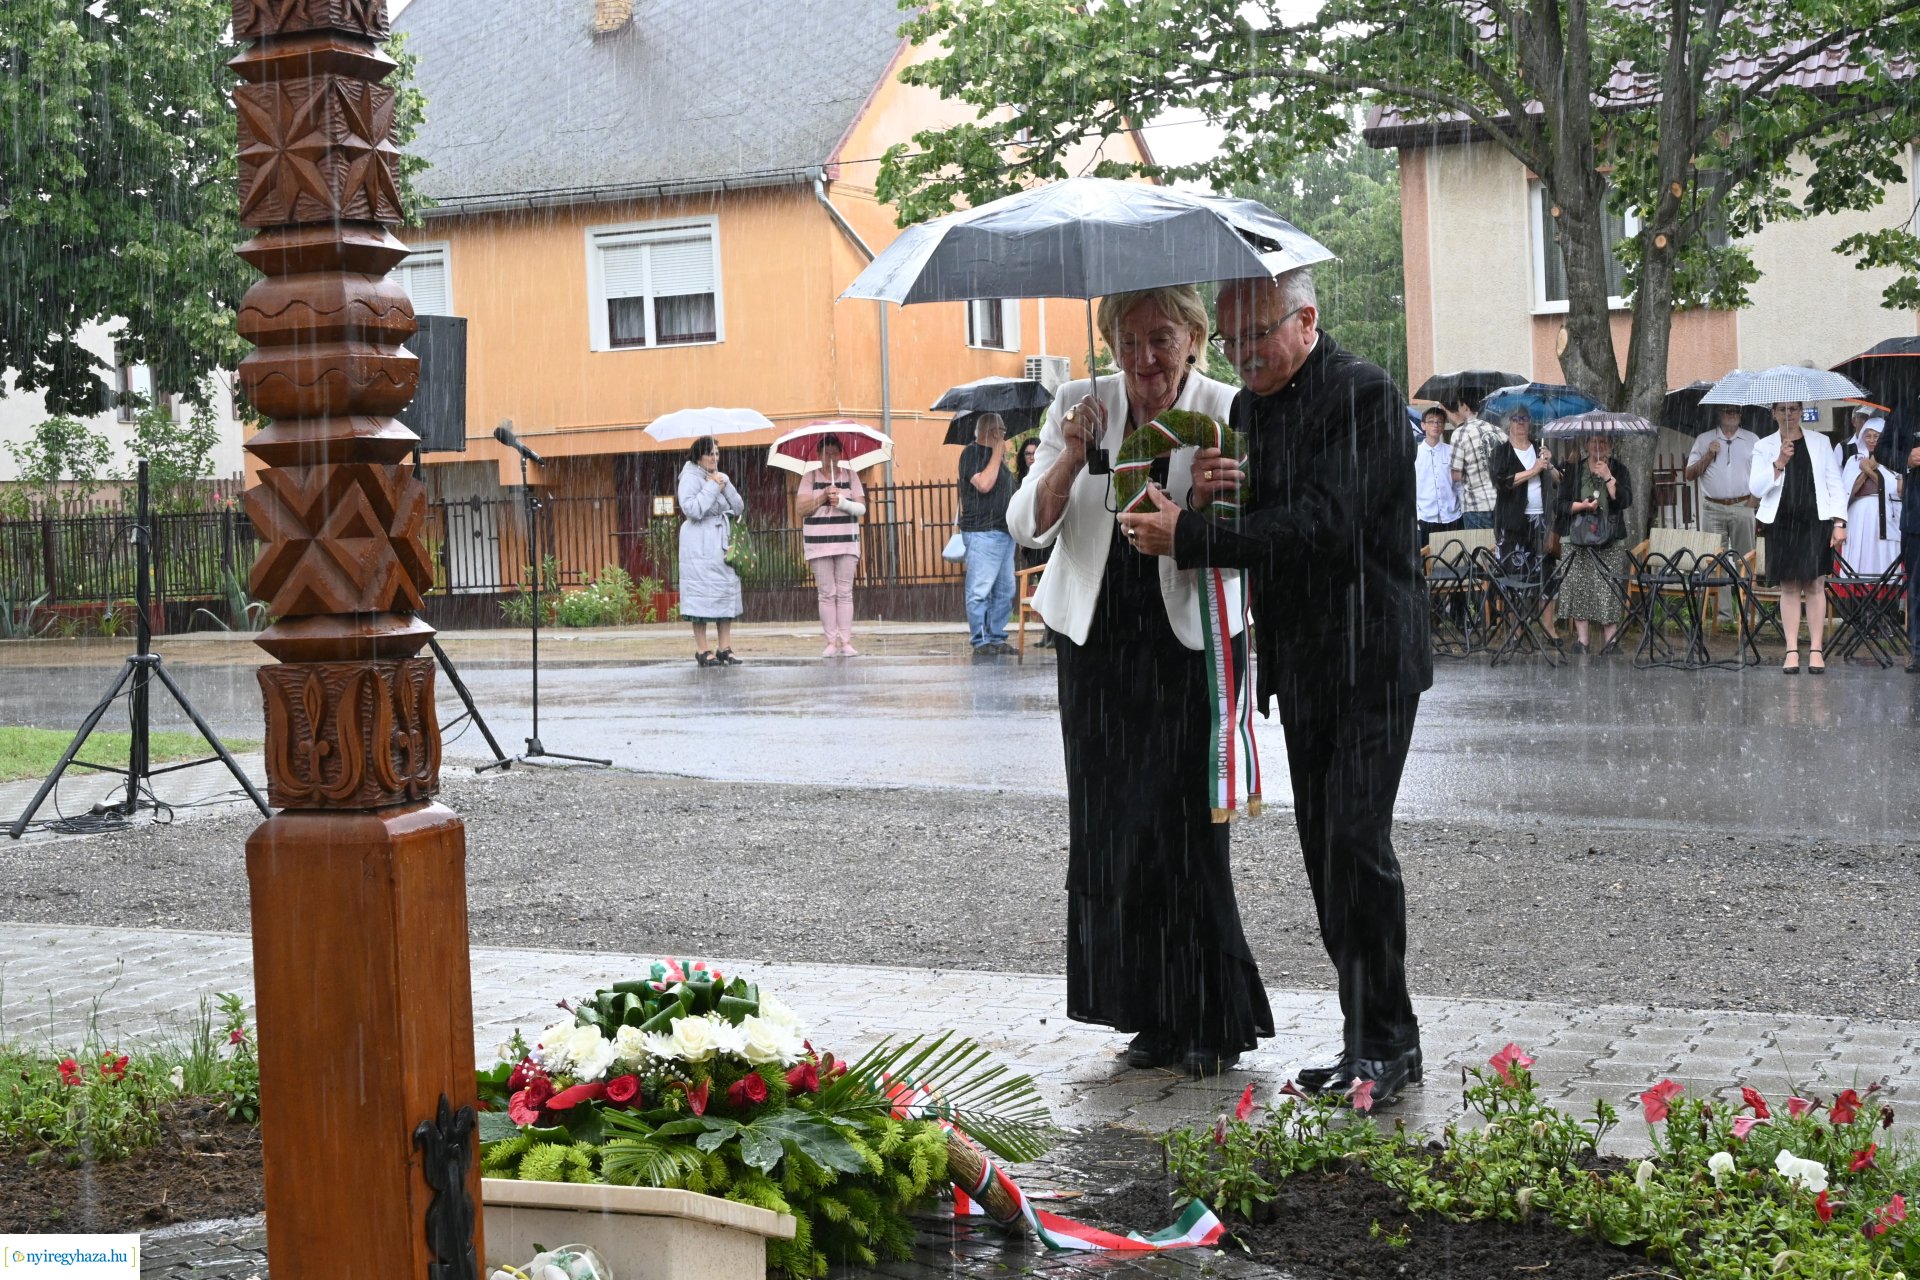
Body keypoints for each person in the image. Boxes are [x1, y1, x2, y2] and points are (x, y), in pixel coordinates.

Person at [1120, 268, 1431, 1106]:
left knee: (1357, 849)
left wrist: (1192, 535)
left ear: (1307, 320)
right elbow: (1265, 522)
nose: (1246, 354)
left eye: (1259, 334)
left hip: (1373, 659)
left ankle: (1389, 1045)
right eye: (1233, 339)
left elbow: (1324, 527)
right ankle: (1366, 1039)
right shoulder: (1253, 410)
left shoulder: (1364, 393)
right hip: (1304, 665)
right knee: (1328, 859)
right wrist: (1215, 500)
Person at [1006, 284, 1270, 1078]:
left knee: (1187, 830)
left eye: (1161, 338)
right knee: (1113, 830)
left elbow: (1260, 527)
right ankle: (1148, 1013)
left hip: (1185, 636)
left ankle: (1211, 1018)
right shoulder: (1079, 401)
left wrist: (1220, 498)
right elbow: (1027, 522)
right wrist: (1065, 460)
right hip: (1097, 637)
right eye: (1128, 341)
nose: (1145, 358)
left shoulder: (1230, 406)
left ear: (1194, 337)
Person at [1750, 401, 1847, 674]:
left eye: (1793, 409)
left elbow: (1834, 483)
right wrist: (1779, 462)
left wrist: (1839, 522)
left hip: (1815, 521)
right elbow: (1755, 488)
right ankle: (1791, 650)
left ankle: (1816, 649)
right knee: (1790, 587)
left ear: (1802, 412)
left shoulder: (1820, 442)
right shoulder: (1764, 446)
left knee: (1816, 585)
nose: (1788, 414)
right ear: (1773, 414)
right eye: (1782, 410)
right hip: (1781, 522)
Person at [1555, 434, 1634, 653]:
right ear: (1586, 444)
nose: (1598, 446)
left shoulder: (1619, 469)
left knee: (1608, 587)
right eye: (1593, 441)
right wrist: (1581, 506)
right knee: (1579, 587)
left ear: (1610, 445)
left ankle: (1611, 642)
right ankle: (1583, 641)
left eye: (1603, 442)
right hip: (1577, 537)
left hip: (1610, 539)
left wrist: (1609, 478)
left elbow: (1626, 501)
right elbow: (1560, 505)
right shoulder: (1574, 470)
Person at [677, 435, 746, 666]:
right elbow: (693, 509)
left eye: (717, 454)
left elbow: (738, 507)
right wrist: (712, 487)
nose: (714, 458)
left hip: (722, 542)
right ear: (699, 456)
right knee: (700, 596)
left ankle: (725, 647)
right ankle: (702, 649)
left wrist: (724, 485)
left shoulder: (720, 476)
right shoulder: (689, 477)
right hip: (698, 544)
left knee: (724, 592)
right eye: (710, 454)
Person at [796, 434, 866, 656]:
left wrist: (843, 502)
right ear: (819, 455)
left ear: (840, 455)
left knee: (845, 592)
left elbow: (861, 509)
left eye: (835, 453)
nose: (831, 458)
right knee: (827, 593)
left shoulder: (851, 476)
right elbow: (801, 509)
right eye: (826, 453)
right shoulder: (809, 478)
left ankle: (845, 641)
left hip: (846, 542)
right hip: (819, 544)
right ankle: (830, 641)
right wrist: (823, 497)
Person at [958, 413, 1016, 656]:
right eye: (1001, 430)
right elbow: (984, 484)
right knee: (980, 589)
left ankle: (996, 635)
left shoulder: (997, 460)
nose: (1004, 434)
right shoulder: (971, 454)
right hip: (983, 532)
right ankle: (980, 640)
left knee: (1004, 590)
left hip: (1004, 533)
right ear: (993, 432)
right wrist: (997, 451)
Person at [1489, 407, 1561, 582]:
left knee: (1545, 580)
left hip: (1542, 522)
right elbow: (1502, 482)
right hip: (1512, 524)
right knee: (1513, 581)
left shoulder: (1541, 449)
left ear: (1530, 423)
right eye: (1516, 418)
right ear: (1508, 424)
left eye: (1525, 418)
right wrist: (1533, 470)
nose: (1521, 422)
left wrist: (1549, 465)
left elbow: (1560, 481)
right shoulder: (1500, 452)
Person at [1839, 417, 1900, 576]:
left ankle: (1884, 595)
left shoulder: (1894, 460)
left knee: (1883, 559)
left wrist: (1871, 468)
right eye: (1868, 436)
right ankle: (1859, 595)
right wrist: (1863, 467)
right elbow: (1849, 491)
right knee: (1861, 555)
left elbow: (1894, 489)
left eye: (1876, 436)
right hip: (1859, 518)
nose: (1872, 440)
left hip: (1885, 517)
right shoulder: (1853, 460)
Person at [1010, 436, 1054, 646]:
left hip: (1048, 540)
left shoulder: (1047, 475)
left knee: (1050, 587)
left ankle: (1054, 634)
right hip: (1031, 543)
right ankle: (1048, 633)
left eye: (1034, 453)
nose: (1031, 458)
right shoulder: (1020, 481)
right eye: (1027, 454)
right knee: (1041, 589)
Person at [1445, 395, 1502, 530]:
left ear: (1465, 406)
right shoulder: (1497, 431)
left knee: (1479, 549)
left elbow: (1456, 475)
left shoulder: (1460, 433)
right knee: (1500, 548)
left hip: (1475, 505)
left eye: (1458, 405)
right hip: (1501, 503)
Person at [1414, 405, 1462, 545]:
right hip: (1425, 518)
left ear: (1443, 426)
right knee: (1428, 562)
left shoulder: (1452, 451)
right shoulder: (1415, 453)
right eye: (1431, 421)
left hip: (1452, 517)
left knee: (1454, 560)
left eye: (1439, 422)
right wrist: (1416, 516)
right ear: (1423, 425)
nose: (1435, 425)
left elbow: (1458, 484)